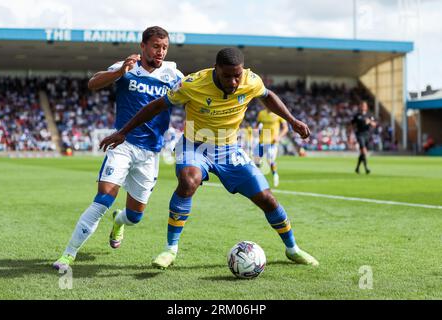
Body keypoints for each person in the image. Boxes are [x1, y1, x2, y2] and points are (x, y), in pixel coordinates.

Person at [100, 47, 319, 269]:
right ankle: (170, 249)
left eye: (237, 75)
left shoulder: (251, 80)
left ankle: (292, 249)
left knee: (266, 198)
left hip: (229, 148)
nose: (234, 82)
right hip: (195, 146)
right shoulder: (193, 84)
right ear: (216, 69)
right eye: (227, 76)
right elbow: (157, 105)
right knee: (188, 181)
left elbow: (267, 96)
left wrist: (292, 121)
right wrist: (123, 132)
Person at [53, 26, 183, 270]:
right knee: (103, 200)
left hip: (150, 153)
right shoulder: (127, 66)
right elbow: (93, 83)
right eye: (156, 46)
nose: (160, 52)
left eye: (164, 47)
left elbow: (191, 96)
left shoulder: (174, 75)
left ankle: (119, 221)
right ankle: (68, 255)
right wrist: (120, 72)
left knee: (135, 217)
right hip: (122, 144)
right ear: (143, 46)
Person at [254, 108, 289, 187]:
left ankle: (275, 175)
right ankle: (259, 178)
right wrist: (255, 132)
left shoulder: (279, 113)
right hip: (261, 141)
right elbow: (256, 125)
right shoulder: (261, 113)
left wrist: (279, 137)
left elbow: (285, 128)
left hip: (272, 142)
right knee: (256, 161)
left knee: (270, 160)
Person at [351, 101, 376, 174]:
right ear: (360, 106)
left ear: (366, 107)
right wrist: (351, 135)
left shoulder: (369, 115)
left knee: (362, 153)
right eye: (362, 105)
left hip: (367, 135)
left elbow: (374, 124)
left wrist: (370, 122)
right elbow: (352, 124)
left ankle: (357, 168)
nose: (363, 107)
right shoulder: (357, 115)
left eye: (364, 105)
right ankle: (366, 168)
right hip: (359, 134)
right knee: (364, 151)